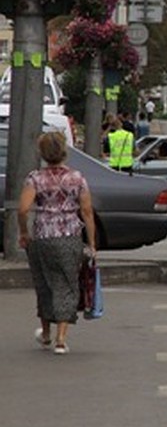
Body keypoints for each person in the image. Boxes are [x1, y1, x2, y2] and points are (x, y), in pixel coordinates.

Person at [17, 131, 98, 355]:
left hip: (42, 237)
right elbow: (87, 211)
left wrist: (24, 233)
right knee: (67, 284)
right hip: (70, 237)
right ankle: (61, 340)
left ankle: (45, 334)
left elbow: (23, 209)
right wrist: (91, 244)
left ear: (42, 153)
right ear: (64, 152)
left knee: (44, 285)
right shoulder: (77, 177)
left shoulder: (35, 178)